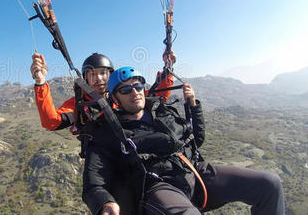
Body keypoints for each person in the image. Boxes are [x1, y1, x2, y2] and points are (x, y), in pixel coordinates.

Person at [82, 67, 285, 215]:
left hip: (194, 171)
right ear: (115, 98)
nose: (135, 92)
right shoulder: (109, 132)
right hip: (159, 185)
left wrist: (194, 107)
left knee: (269, 184)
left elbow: (196, 138)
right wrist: (105, 203)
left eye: (138, 86)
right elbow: (93, 184)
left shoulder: (162, 111)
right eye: (126, 90)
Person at [30, 52, 176, 133]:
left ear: (110, 76)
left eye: (103, 73)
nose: (98, 78)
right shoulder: (80, 103)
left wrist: (168, 68)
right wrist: (41, 82)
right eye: (92, 74)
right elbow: (51, 122)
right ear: (85, 78)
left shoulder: (123, 91)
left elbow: (156, 98)